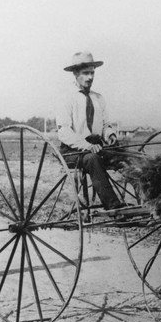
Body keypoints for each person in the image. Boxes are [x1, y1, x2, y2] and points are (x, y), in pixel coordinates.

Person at [57, 51, 126, 210]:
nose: (90, 77)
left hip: (97, 146)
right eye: (85, 73)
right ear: (75, 74)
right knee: (92, 159)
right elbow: (64, 131)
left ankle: (149, 200)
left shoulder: (98, 98)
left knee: (125, 155)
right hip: (73, 150)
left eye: (92, 73)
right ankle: (114, 207)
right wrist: (86, 146)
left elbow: (105, 125)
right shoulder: (66, 98)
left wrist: (110, 135)